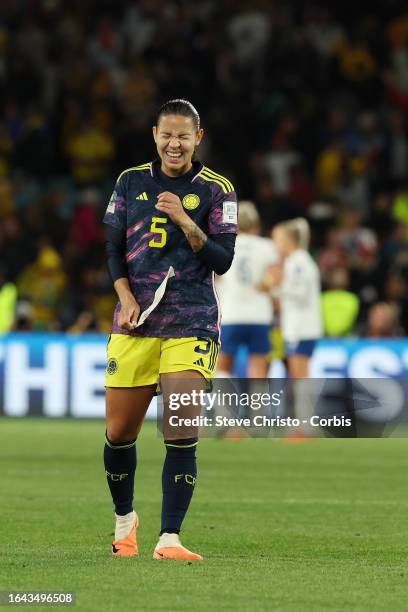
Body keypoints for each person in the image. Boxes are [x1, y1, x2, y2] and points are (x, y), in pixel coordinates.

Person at [103, 99, 237, 561]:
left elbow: (223, 259)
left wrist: (184, 218)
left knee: (180, 428)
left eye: (184, 136)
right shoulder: (130, 181)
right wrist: (123, 294)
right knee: (120, 433)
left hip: (192, 321)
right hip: (135, 322)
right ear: (155, 136)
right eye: (167, 135)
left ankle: (170, 538)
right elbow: (112, 249)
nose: (174, 143)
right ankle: (126, 522)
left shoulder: (218, 190)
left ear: (197, 138)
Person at [264, 218, 323, 434]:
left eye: (278, 240)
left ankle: (305, 425)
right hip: (297, 327)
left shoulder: (299, 262)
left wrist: (278, 285)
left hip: (303, 328)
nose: (275, 245)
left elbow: (299, 293)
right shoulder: (295, 261)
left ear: (289, 240)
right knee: (298, 376)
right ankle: (304, 423)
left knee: (301, 375)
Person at [216, 201, 278, 377]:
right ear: (256, 225)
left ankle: (225, 405)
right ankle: (257, 405)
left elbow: (215, 275)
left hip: (231, 313)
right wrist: (265, 284)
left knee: (223, 366)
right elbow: (276, 275)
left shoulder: (224, 244)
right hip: (259, 314)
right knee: (258, 367)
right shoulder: (267, 246)